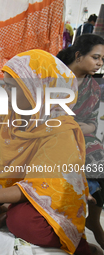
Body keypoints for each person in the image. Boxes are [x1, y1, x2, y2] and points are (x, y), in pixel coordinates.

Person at [0, 49, 95, 254]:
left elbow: (32, 189)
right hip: (9, 180)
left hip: (40, 195)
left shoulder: (60, 132)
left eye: (12, 88)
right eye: (5, 86)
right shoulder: (6, 110)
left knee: (23, 222)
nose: (5, 94)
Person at [57, 34, 104, 250]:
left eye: (102, 59)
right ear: (78, 55)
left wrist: (89, 127)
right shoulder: (54, 77)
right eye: (96, 57)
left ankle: (92, 220)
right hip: (52, 136)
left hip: (83, 137)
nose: (100, 63)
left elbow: (93, 121)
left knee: (98, 163)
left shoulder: (94, 87)